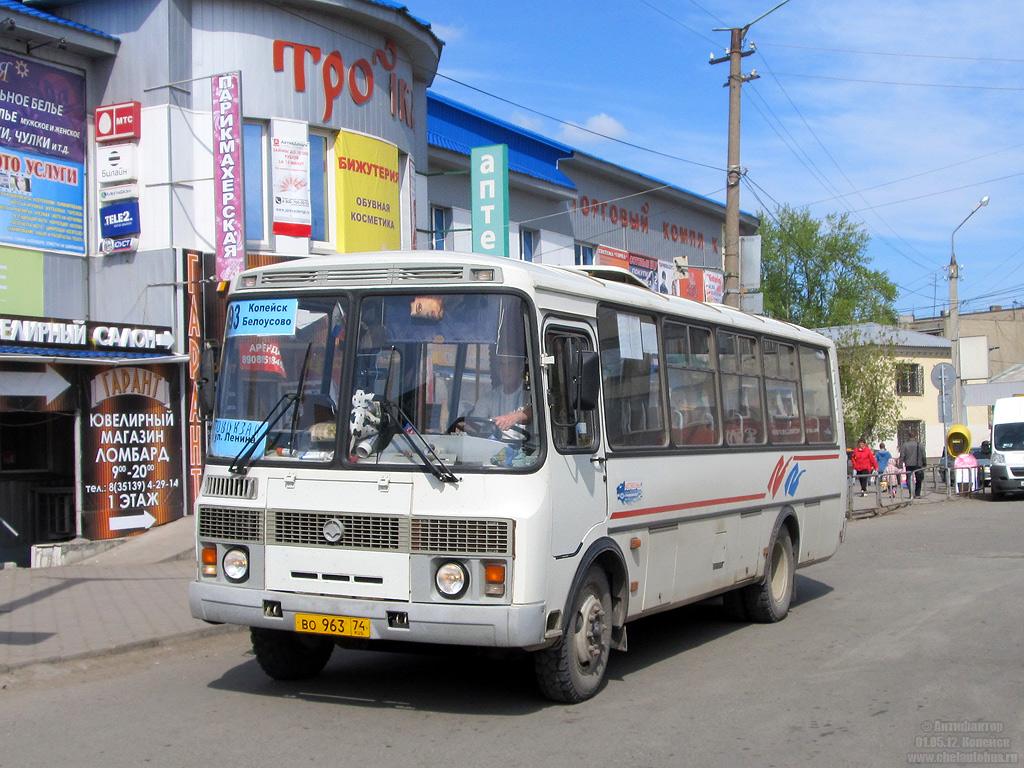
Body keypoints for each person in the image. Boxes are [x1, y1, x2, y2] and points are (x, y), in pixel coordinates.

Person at [462, 348, 532, 434]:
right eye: (502, 365)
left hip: (526, 446)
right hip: (496, 445)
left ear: (521, 367)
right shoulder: (489, 398)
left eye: (510, 365)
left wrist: (515, 417)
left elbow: (534, 412)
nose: (506, 370)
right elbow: (474, 426)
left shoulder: (531, 393)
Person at [899, 430, 927, 498]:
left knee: (908, 479)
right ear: (915, 437)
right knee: (919, 479)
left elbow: (902, 455)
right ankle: (917, 493)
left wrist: (900, 464)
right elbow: (923, 455)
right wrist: (924, 463)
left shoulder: (905, 445)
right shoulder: (920, 445)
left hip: (908, 464)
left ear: (908, 437)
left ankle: (911, 492)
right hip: (918, 464)